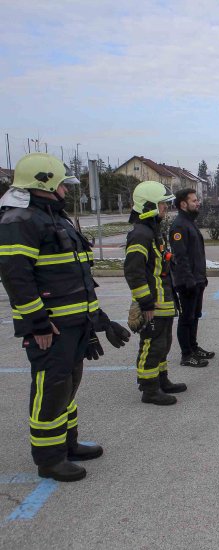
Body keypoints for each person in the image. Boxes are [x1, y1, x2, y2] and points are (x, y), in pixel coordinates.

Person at [0, 153, 130, 482]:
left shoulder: (52, 218)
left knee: (68, 387)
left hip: (73, 325)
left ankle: (67, 444)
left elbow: (76, 278)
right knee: (51, 389)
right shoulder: (20, 221)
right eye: (61, 185)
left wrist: (98, 319)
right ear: (44, 183)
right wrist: (38, 323)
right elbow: (17, 278)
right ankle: (49, 459)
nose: (66, 191)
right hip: (51, 328)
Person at [125, 181, 187, 405]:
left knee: (163, 343)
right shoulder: (141, 234)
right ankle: (149, 389)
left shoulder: (152, 231)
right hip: (154, 303)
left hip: (164, 300)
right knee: (151, 344)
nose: (165, 209)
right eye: (162, 205)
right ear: (149, 205)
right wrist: (146, 303)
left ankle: (162, 380)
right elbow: (134, 272)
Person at [169, 188, 214, 368]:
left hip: (197, 279)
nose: (198, 203)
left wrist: (201, 279)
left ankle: (194, 348)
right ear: (183, 204)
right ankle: (186, 354)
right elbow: (181, 257)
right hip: (187, 281)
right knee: (186, 318)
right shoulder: (179, 225)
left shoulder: (189, 222)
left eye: (197, 200)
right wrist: (189, 281)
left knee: (195, 315)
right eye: (194, 201)